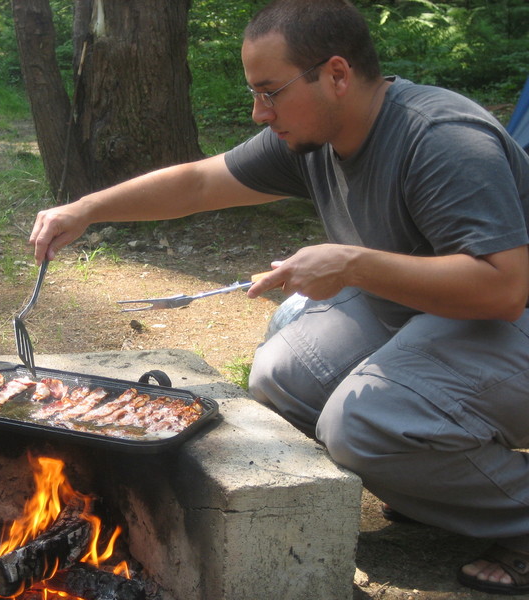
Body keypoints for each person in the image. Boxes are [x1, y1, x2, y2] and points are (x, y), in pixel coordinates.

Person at [29, 0, 529, 594]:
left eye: (271, 92)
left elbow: (503, 287)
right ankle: (431, 485)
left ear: (337, 75)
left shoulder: (440, 139)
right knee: (283, 374)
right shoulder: (317, 136)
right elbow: (197, 182)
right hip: (439, 315)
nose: (258, 112)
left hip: (510, 317)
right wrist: (87, 209)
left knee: (364, 421)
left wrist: (353, 264)